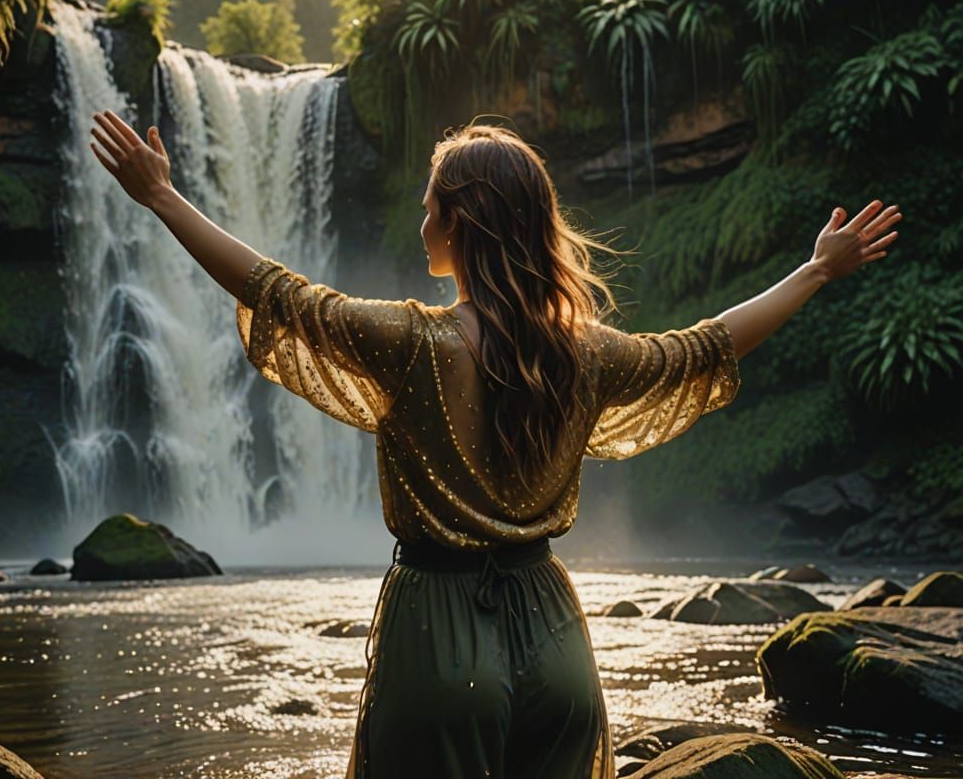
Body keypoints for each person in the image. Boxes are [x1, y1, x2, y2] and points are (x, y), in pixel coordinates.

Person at [89, 109, 901, 779]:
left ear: (460, 220)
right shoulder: (583, 353)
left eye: (430, 205)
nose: (420, 220)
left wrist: (162, 197)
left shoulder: (411, 341)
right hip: (556, 640)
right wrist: (815, 272)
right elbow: (708, 346)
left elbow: (274, 290)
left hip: (438, 636)